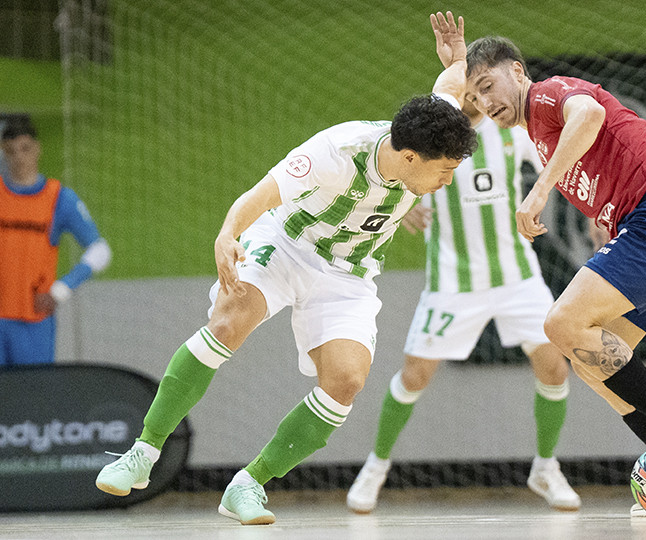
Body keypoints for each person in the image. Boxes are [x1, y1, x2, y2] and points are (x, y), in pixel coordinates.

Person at [94, 57, 478, 525]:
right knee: (228, 322)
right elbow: (261, 195)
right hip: (286, 244)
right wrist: (228, 233)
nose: (448, 180)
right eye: (445, 171)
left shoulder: (429, 128)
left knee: (346, 382)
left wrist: (457, 56)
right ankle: (143, 452)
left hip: (348, 274)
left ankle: (249, 484)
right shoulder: (336, 151)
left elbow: (449, 84)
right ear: (410, 157)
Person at [430, 12, 646, 516]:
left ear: (518, 71)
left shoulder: (552, 94)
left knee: (561, 323)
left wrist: (536, 194)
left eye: (489, 86)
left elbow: (591, 116)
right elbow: (453, 120)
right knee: (592, 361)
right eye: (477, 97)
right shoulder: (527, 125)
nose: (487, 103)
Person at [346, 99, 580, 514]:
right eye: (470, 85)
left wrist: (594, 212)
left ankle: (546, 467)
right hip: (453, 281)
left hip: (516, 277)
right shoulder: (432, 134)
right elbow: (390, 168)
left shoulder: (509, 129)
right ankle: (376, 466)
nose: (478, 95)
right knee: (414, 375)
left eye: (485, 86)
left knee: (555, 367)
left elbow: (562, 161)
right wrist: (403, 208)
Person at [0, 116, 111, 366]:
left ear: (37, 149)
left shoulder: (59, 199)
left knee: (34, 398)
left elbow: (100, 250)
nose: (19, 157)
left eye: (25, 148)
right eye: (11, 150)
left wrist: (61, 290)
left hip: (33, 323)